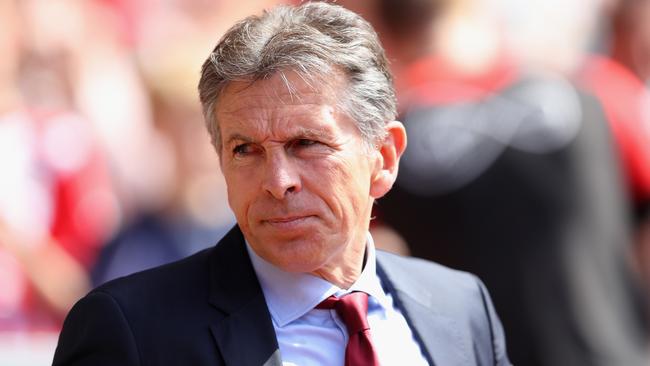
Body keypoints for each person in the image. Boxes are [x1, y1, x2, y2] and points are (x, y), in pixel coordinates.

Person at [51, 3, 510, 365]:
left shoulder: (461, 307)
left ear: (384, 157)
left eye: (306, 143)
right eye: (245, 150)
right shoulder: (133, 331)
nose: (278, 181)